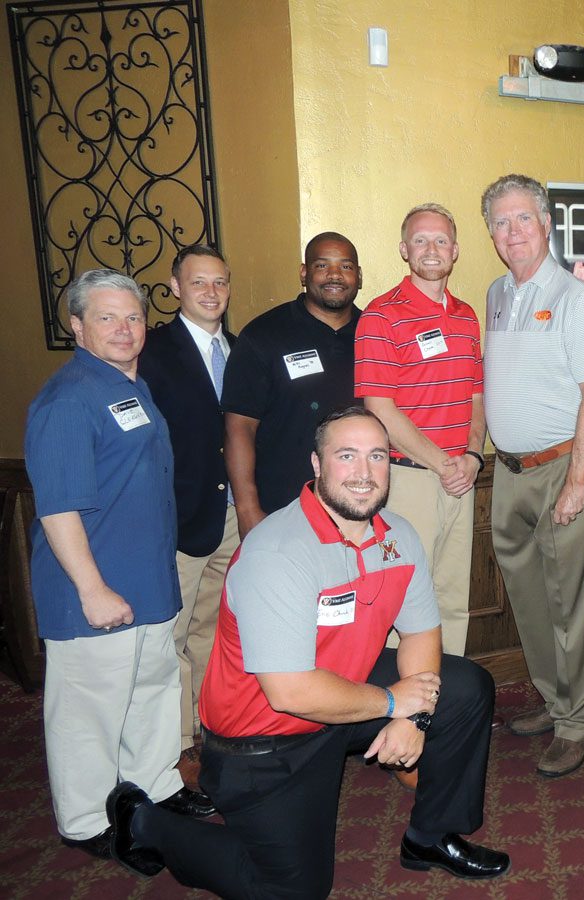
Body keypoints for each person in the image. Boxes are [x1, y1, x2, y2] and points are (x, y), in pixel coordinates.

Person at [103, 407, 509, 892]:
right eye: (347, 456)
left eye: (377, 456)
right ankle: (145, 823)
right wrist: (395, 704)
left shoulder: (398, 537)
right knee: (295, 890)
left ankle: (429, 836)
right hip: (263, 740)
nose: (363, 473)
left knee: (465, 686)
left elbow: (421, 632)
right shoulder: (278, 552)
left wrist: (413, 718)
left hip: (342, 697)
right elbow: (291, 692)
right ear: (316, 465)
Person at [25, 269, 214, 868]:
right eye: (106, 317)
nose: (123, 329)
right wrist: (92, 588)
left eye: (132, 317)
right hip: (93, 591)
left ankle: (154, 787)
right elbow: (57, 508)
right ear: (77, 327)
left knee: (152, 692)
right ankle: (85, 819)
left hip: (148, 582)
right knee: (89, 710)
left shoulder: (129, 386)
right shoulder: (67, 398)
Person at [481, 174, 584, 777]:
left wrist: (579, 481)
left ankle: (578, 722)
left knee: (573, 605)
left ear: (545, 224)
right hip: (507, 474)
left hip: (564, 468)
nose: (512, 233)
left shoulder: (574, 297)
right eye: (500, 223)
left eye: (522, 220)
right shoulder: (496, 294)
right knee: (531, 602)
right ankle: (553, 698)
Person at [355, 203, 484, 657]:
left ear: (456, 250)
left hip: (460, 479)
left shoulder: (467, 316)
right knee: (401, 598)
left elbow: (475, 397)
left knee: (452, 599)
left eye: (442, 240)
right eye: (421, 240)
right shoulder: (381, 315)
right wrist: (444, 464)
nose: (432, 249)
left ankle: (449, 704)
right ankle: (402, 708)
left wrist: (472, 457)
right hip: (408, 480)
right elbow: (380, 409)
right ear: (404, 250)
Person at [139, 244, 239, 784]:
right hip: (178, 518)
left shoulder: (241, 349)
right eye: (198, 282)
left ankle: (206, 728)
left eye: (220, 282)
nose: (211, 292)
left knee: (213, 628)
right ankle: (175, 744)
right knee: (170, 635)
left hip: (231, 517)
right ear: (175, 286)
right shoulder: (151, 352)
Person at [223, 232, 363, 537]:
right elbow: (239, 426)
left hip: (361, 510)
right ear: (304, 273)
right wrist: (248, 509)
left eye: (346, 266)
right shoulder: (263, 335)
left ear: (359, 276)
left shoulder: (376, 336)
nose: (335, 275)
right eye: (322, 265)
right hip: (283, 512)